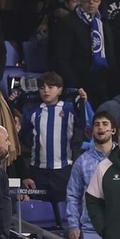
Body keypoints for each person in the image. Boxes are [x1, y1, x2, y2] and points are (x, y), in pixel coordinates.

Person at [20, 72, 88, 226]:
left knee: (66, 214)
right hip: (38, 171)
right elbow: (24, 142)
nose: (46, 91)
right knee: (41, 216)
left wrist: (82, 99)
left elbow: (84, 125)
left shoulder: (71, 109)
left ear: (60, 89)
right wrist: (26, 173)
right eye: (42, 87)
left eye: (51, 87)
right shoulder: (33, 112)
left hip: (64, 171)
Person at [49, 0, 117, 106]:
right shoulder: (67, 23)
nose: (91, 2)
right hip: (79, 86)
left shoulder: (103, 22)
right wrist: (76, 85)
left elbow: (110, 53)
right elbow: (61, 59)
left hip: (103, 84)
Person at [66, 111, 116, 239]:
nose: (100, 128)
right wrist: (73, 225)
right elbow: (73, 195)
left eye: (105, 124)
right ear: (92, 130)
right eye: (96, 124)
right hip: (91, 229)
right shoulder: (82, 161)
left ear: (113, 130)